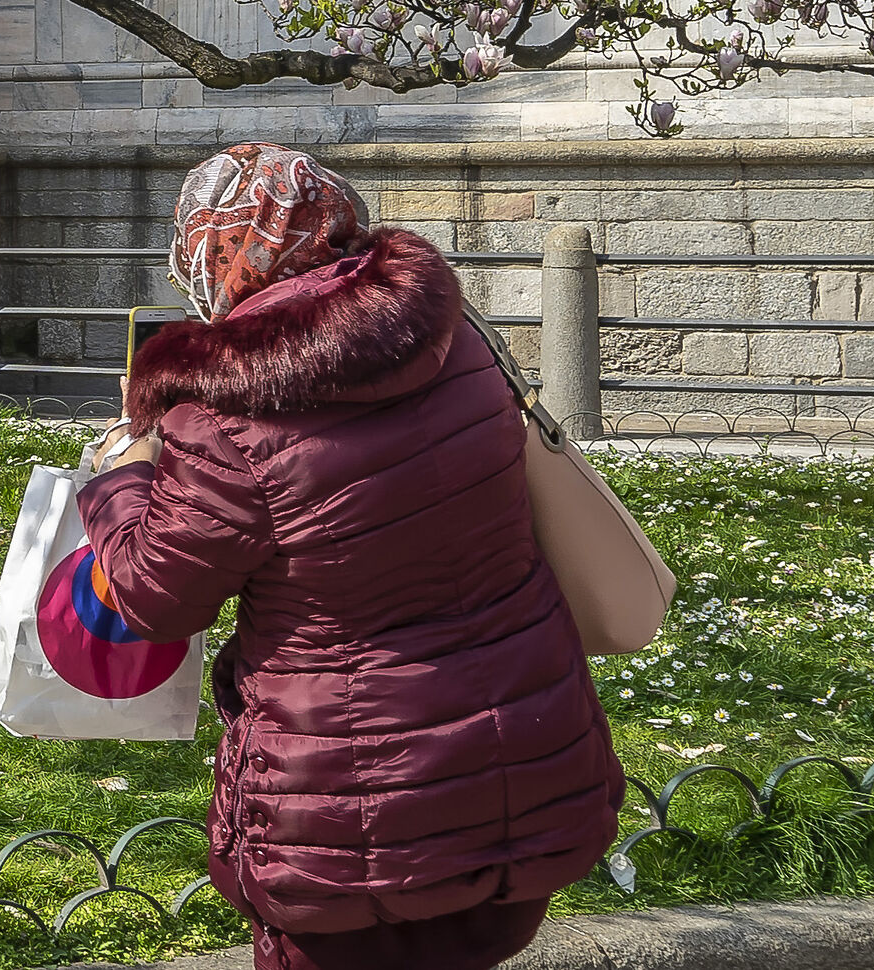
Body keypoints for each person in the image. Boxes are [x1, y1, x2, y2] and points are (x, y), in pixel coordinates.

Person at [75, 145, 623, 970]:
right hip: (519, 762)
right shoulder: (450, 337)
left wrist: (121, 480)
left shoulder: (225, 420)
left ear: (213, 255)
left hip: (349, 807)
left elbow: (155, 596)